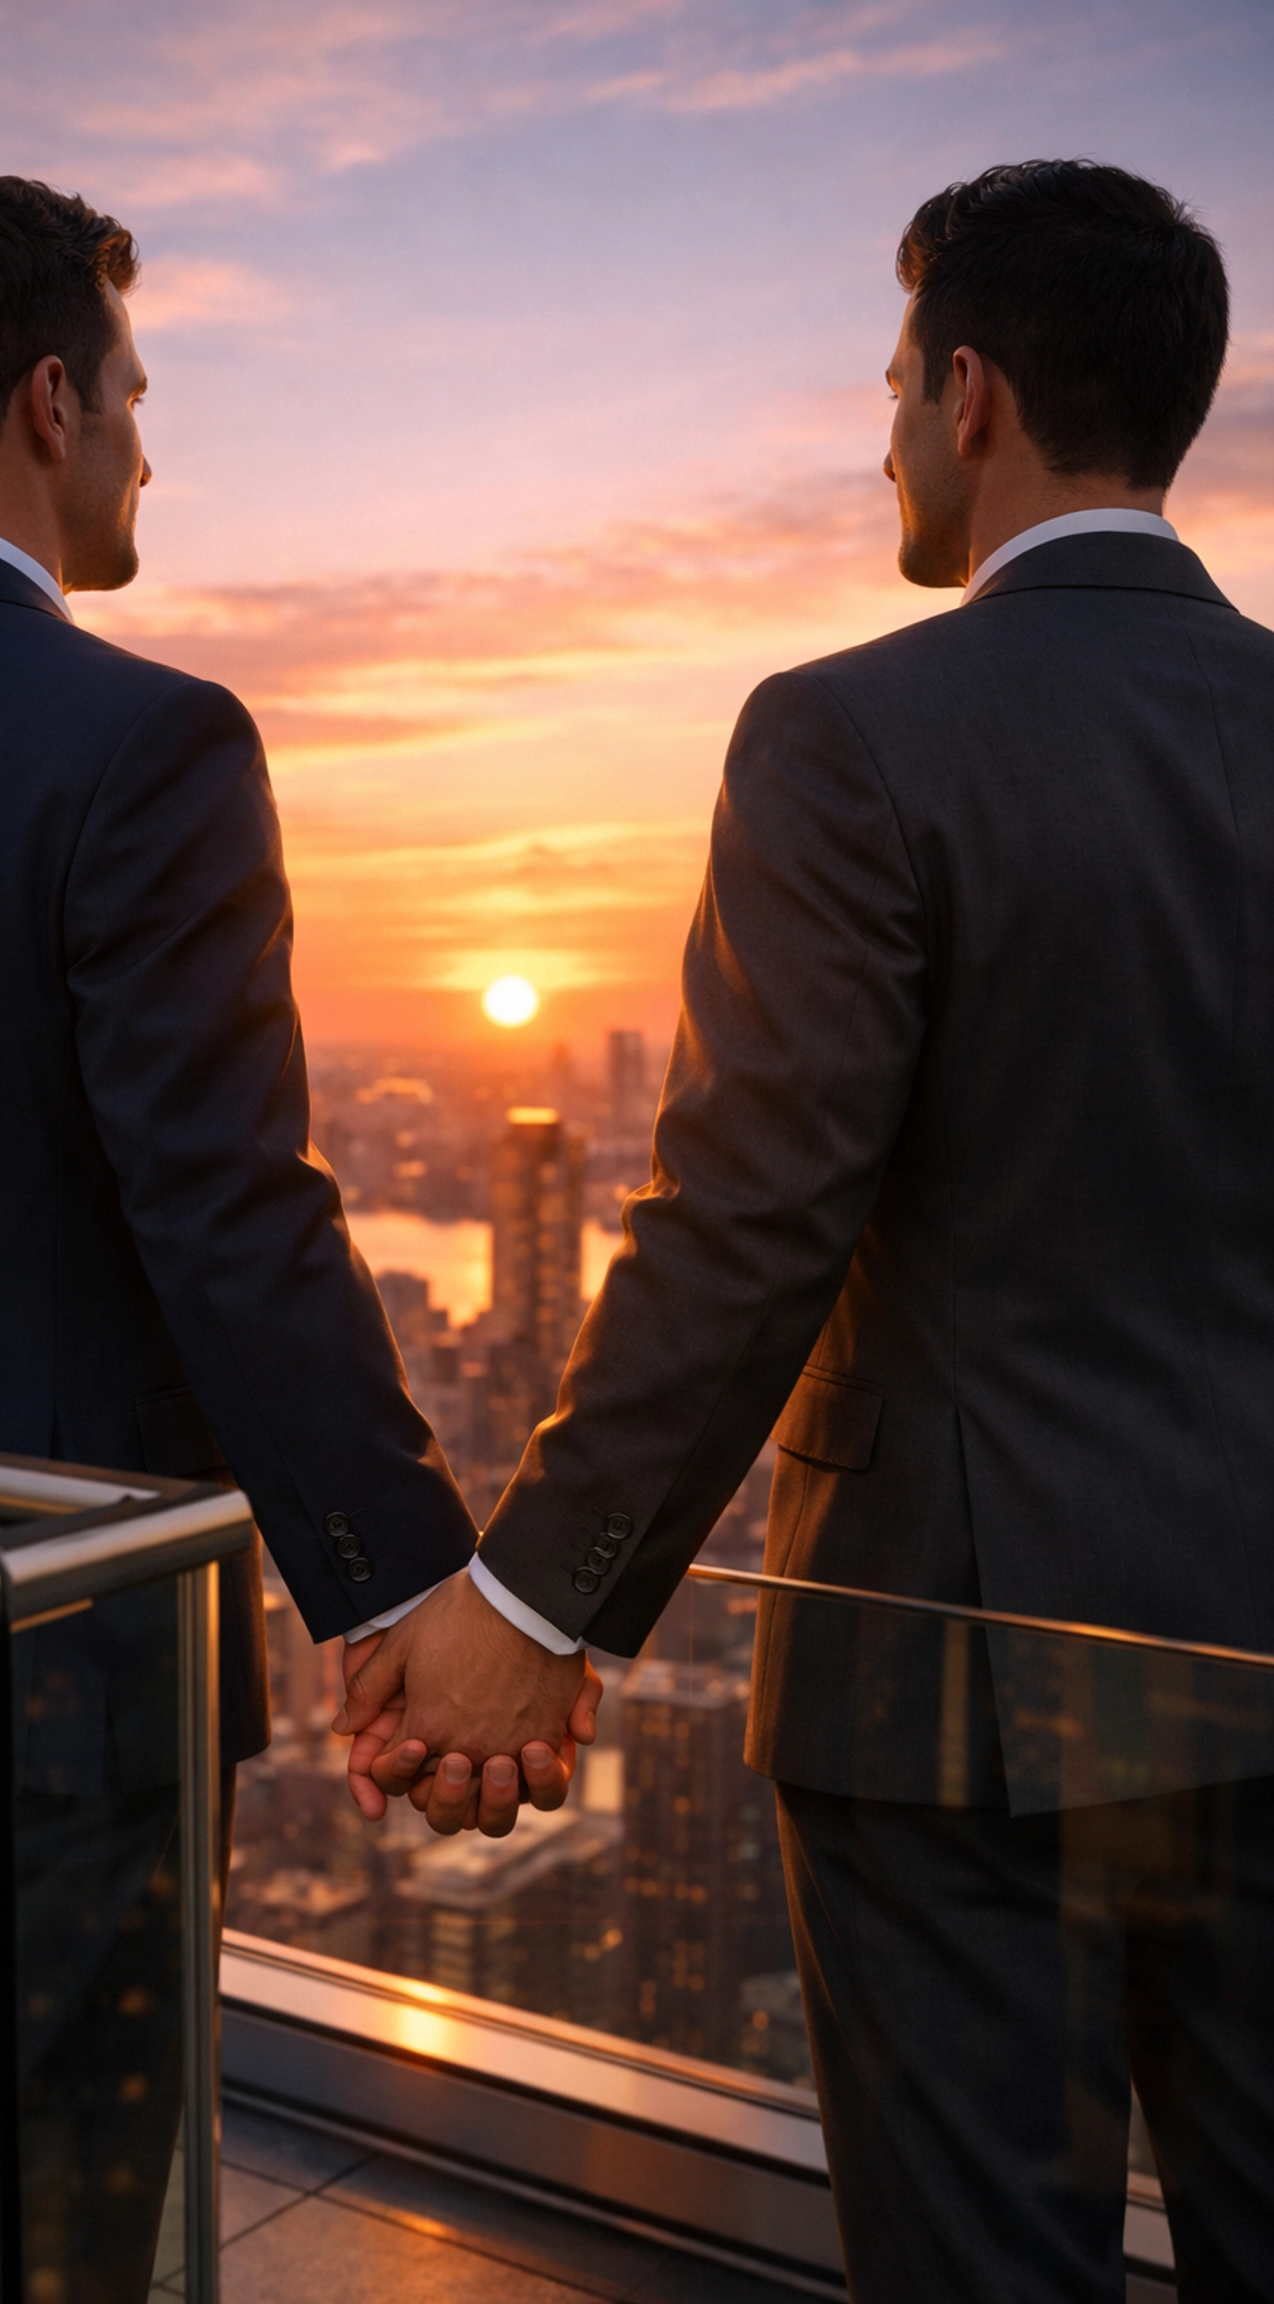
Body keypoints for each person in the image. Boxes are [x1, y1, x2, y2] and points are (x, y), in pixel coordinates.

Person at [341, 161, 1274, 2299]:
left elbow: (753, 1213)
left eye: (891, 387)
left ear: (972, 392)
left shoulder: (853, 733)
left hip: (948, 1675)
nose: (883, 441)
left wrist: (536, 1607)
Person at [0, 171, 591, 2303]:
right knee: (28, 2235)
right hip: (55, 1662)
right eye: (134, 395)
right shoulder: (145, 742)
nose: (146, 446)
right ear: (52, 402)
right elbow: (228, 1208)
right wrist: (407, 1586)